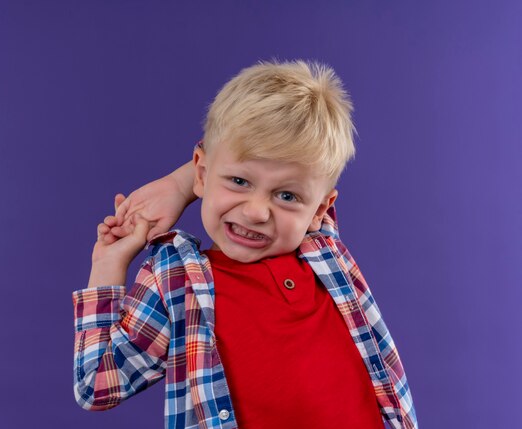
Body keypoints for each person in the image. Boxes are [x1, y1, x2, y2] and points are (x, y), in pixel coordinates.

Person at [72, 59, 418, 429]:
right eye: (238, 181)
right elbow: (98, 386)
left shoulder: (320, 248)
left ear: (319, 211)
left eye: (285, 195)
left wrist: (187, 184)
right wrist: (109, 265)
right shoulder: (175, 280)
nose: (256, 212)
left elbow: (298, 176)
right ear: (203, 173)